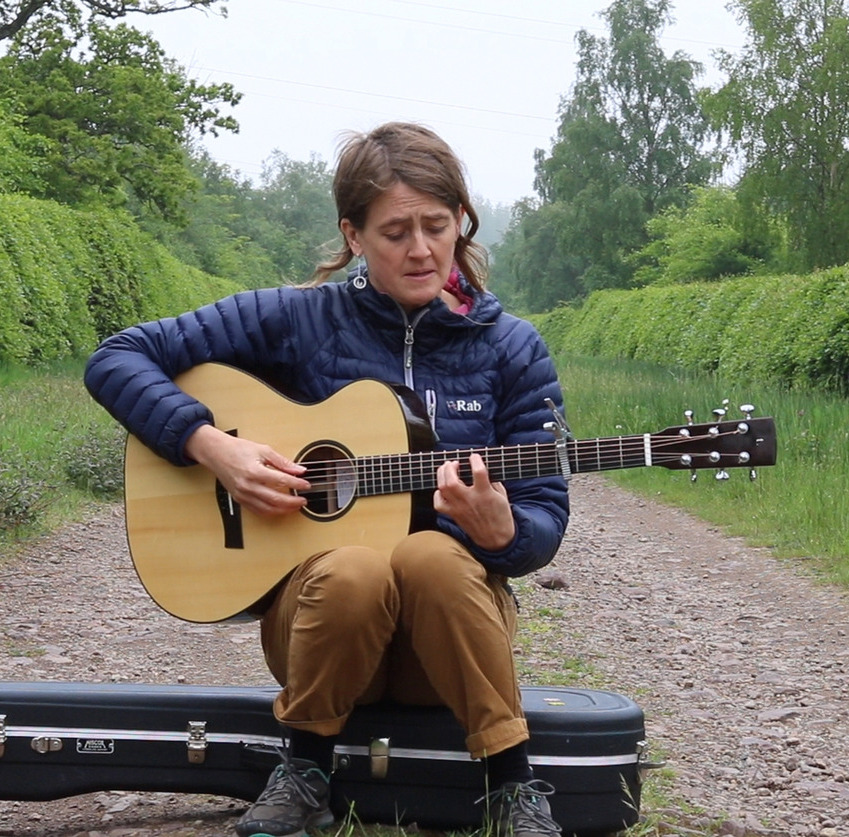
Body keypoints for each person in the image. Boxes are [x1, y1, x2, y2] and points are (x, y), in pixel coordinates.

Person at [84, 121, 569, 837]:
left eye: (437, 226)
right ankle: (304, 769)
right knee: (354, 566)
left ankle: (511, 783)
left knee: (429, 554)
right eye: (394, 231)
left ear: (461, 222)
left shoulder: (511, 348)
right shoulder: (297, 320)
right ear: (352, 235)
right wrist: (211, 446)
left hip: (451, 651)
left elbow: (542, 520)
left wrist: (505, 532)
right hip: (324, 639)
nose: (420, 248)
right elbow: (118, 357)